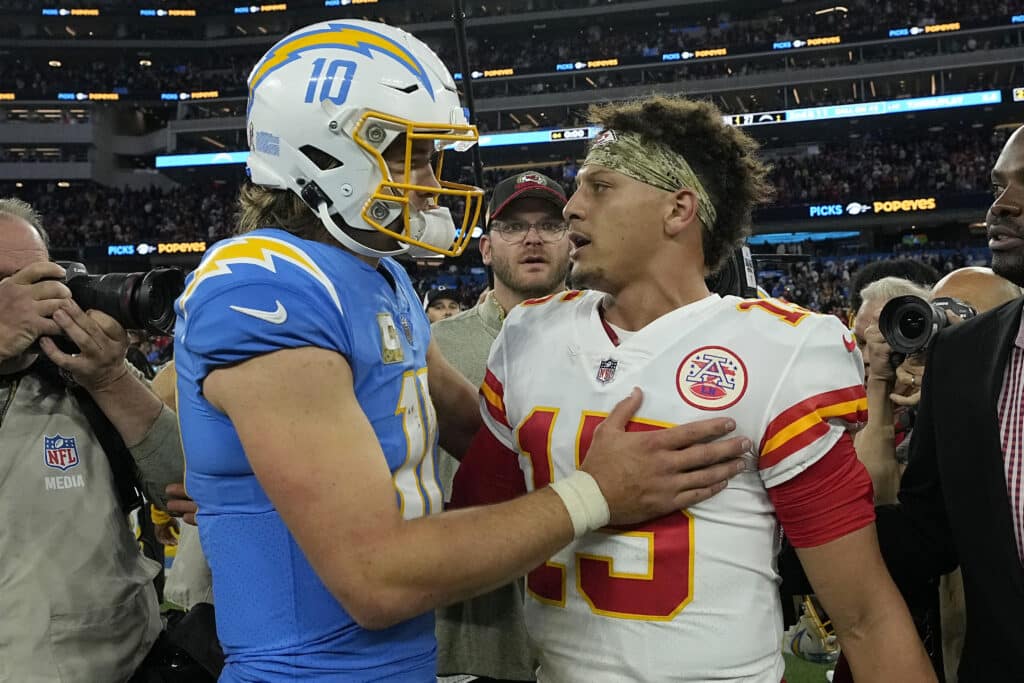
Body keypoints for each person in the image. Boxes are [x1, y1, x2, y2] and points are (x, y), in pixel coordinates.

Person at [172, 21, 749, 682]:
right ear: (323, 151)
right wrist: (598, 491)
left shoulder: (375, 275)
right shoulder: (263, 287)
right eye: (406, 154)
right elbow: (376, 578)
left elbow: (483, 434)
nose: (426, 179)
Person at [452, 96, 935, 682]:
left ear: (678, 209)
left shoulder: (779, 351)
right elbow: (475, 534)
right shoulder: (528, 333)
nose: (573, 208)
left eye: (599, 187)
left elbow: (863, 615)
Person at [0, 197, 186, 681]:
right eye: (7, 283)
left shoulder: (80, 378)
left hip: (130, 658)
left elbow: (184, 482)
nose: (33, 298)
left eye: (44, 279)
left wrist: (110, 379)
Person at [432, 170, 571, 681]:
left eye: (549, 225)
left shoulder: (614, 342)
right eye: (513, 227)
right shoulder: (435, 351)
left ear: (572, 242)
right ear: (487, 249)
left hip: (580, 625)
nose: (533, 238)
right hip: (469, 630)